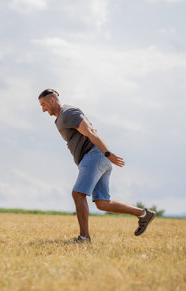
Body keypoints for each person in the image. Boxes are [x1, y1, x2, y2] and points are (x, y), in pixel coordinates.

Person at [38, 89, 155, 243]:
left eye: (44, 104)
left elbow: (90, 131)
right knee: (102, 203)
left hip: (94, 156)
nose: (43, 109)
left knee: (78, 194)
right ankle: (144, 214)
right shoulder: (60, 118)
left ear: (52, 101)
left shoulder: (68, 113)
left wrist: (107, 153)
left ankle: (84, 238)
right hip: (95, 158)